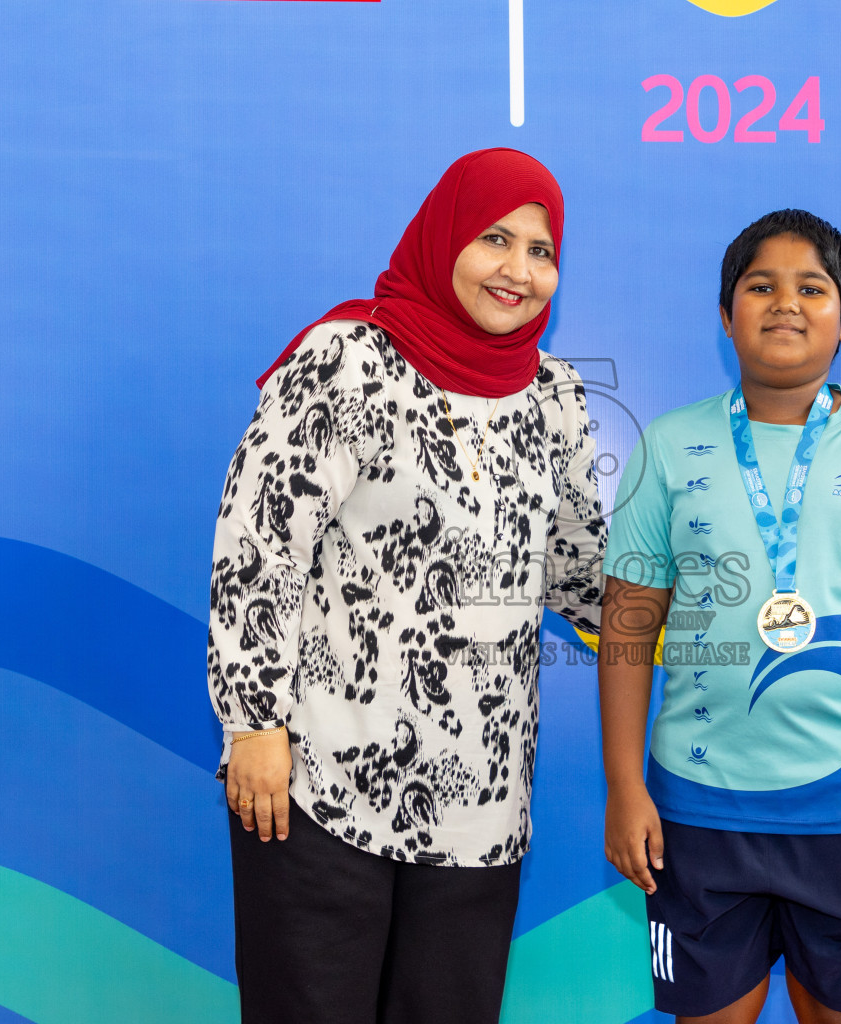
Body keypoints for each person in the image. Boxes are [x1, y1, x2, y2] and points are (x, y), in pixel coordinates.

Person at [207, 148, 605, 1024]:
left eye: (542, 251)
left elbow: (581, 573)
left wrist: (711, 621)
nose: (520, 270)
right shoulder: (349, 361)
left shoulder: (555, 398)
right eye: (495, 238)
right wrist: (254, 725)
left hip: (482, 803)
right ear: (444, 237)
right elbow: (258, 543)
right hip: (318, 783)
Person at [599, 209, 841, 1024]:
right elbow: (629, 624)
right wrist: (625, 786)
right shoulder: (668, 446)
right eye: (760, 285)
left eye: (813, 288)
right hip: (697, 814)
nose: (785, 303)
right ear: (725, 313)